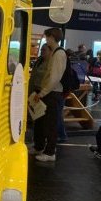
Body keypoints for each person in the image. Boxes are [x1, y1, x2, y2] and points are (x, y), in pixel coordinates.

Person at [29, 28, 67, 162]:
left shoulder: (58, 54)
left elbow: (54, 78)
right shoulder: (55, 53)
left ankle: (50, 152)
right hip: (48, 92)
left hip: (52, 93)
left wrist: (42, 92)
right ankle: (40, 147)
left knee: (50, 124)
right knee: (41, 121)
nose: (46, 39)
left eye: (47, 37)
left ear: (52, 37)